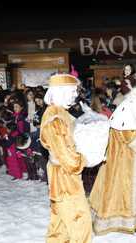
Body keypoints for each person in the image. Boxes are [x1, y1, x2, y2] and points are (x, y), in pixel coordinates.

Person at [90, 69, 136, 237]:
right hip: (123, 159)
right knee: (122, 188)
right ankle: (115, 221)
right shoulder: (129, 107)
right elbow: (128, 136)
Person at [40, 74, 92, 243]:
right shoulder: (55, 118)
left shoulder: (61, 113)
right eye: (71, 92)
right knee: (80, 221)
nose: (74, 95)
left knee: (60, 225)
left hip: (62, 176)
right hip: (64, 179)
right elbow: (64, 154)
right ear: (59, 92)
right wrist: (83, 160)